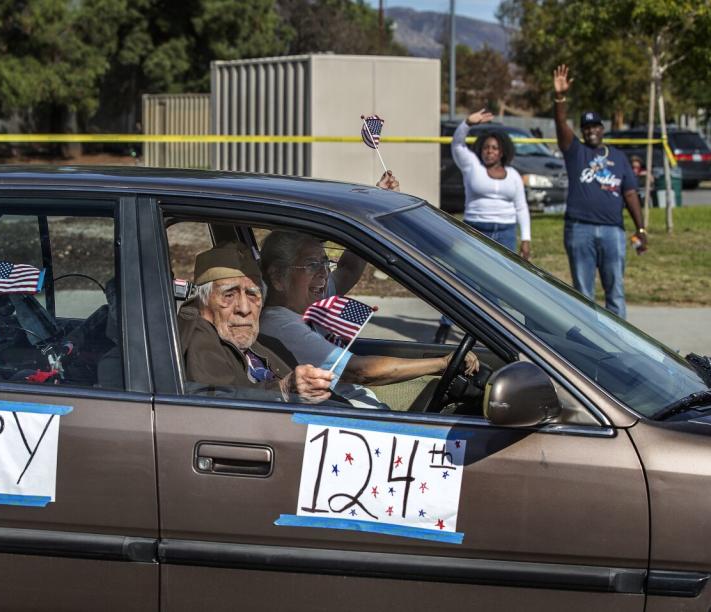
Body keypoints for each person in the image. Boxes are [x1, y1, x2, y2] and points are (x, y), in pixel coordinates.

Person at [258, 231, 479, 410]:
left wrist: (364, 222)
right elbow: (360, 372)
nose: (324, 274)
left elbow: (348, 269)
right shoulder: (280, 325)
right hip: (351, 424)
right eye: (312, 265)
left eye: (326, 263)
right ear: (278, 277)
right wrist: (441, 364)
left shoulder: (304, 299)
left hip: (362, 409)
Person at [178, 242, 334, 403]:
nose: (244, 309)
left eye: (252, 295)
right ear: (202, 302)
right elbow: (218, 407)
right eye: (229, 295)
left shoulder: (265, 343)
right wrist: (283, 389)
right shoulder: (200, 342)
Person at [552, 64, 647, 319]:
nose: (591, 130)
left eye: (595, 126)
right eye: (586, 127)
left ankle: (618, 346)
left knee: (615, 290)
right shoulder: (576, 152)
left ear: (602, 129)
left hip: (612, 231)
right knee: (583, 294)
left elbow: (629, 194)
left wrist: (641, 229)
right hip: (579, 229)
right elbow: (561, 124)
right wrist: (560, 98)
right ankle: (589, 347)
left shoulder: (618, 157)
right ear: (582, 131)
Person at [434, 108, 533, 342]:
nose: (490, 151)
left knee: (494, 285)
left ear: (503, 151)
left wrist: (526, 238)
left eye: (495, 148)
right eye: (487, 147)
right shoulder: (472, 166)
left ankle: (493, 333)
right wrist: (468, 123)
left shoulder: (513, 175)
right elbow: (457, 144)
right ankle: (445, 325)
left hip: (505, 233)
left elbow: (522, 207)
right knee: (463, 281)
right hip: (475, 231)